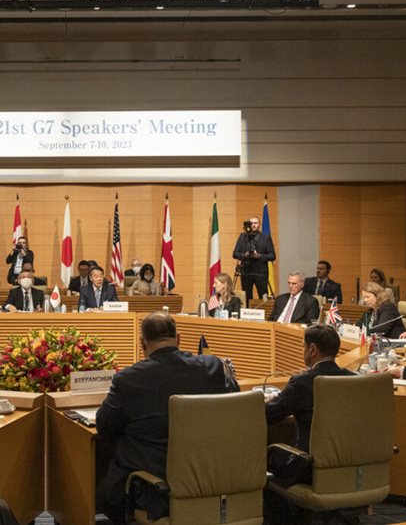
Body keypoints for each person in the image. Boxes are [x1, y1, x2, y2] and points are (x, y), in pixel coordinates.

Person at [96, 312, 239, 524]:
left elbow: (104, 427)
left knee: (99, 490)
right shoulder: (212, 367)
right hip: (211, 486)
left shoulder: (129, 379)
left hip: (154, 492)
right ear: (179, 338)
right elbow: (236, 403)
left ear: (142, 343)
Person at [266, 325, 355, 454]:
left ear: (312, 350)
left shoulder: (301, 383)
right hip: (348, 459)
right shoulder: (353, 380)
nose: (303, 350)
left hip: (308, 463)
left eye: (303, 346)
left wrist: (271, 401)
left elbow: (269, 415)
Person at [232, 217, 276, 302]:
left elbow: (272, 256)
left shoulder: (265, 237)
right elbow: (235, 254)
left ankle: (264, 313)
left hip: (261, 272)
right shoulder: (243, 237)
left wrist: (259, 256)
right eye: (251, 223)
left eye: (255, 223)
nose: (253, 225)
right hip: (246, 272)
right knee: (247, 297)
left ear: (259, 224)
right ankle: (248, 314)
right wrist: (244, 255)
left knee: (263, 296)